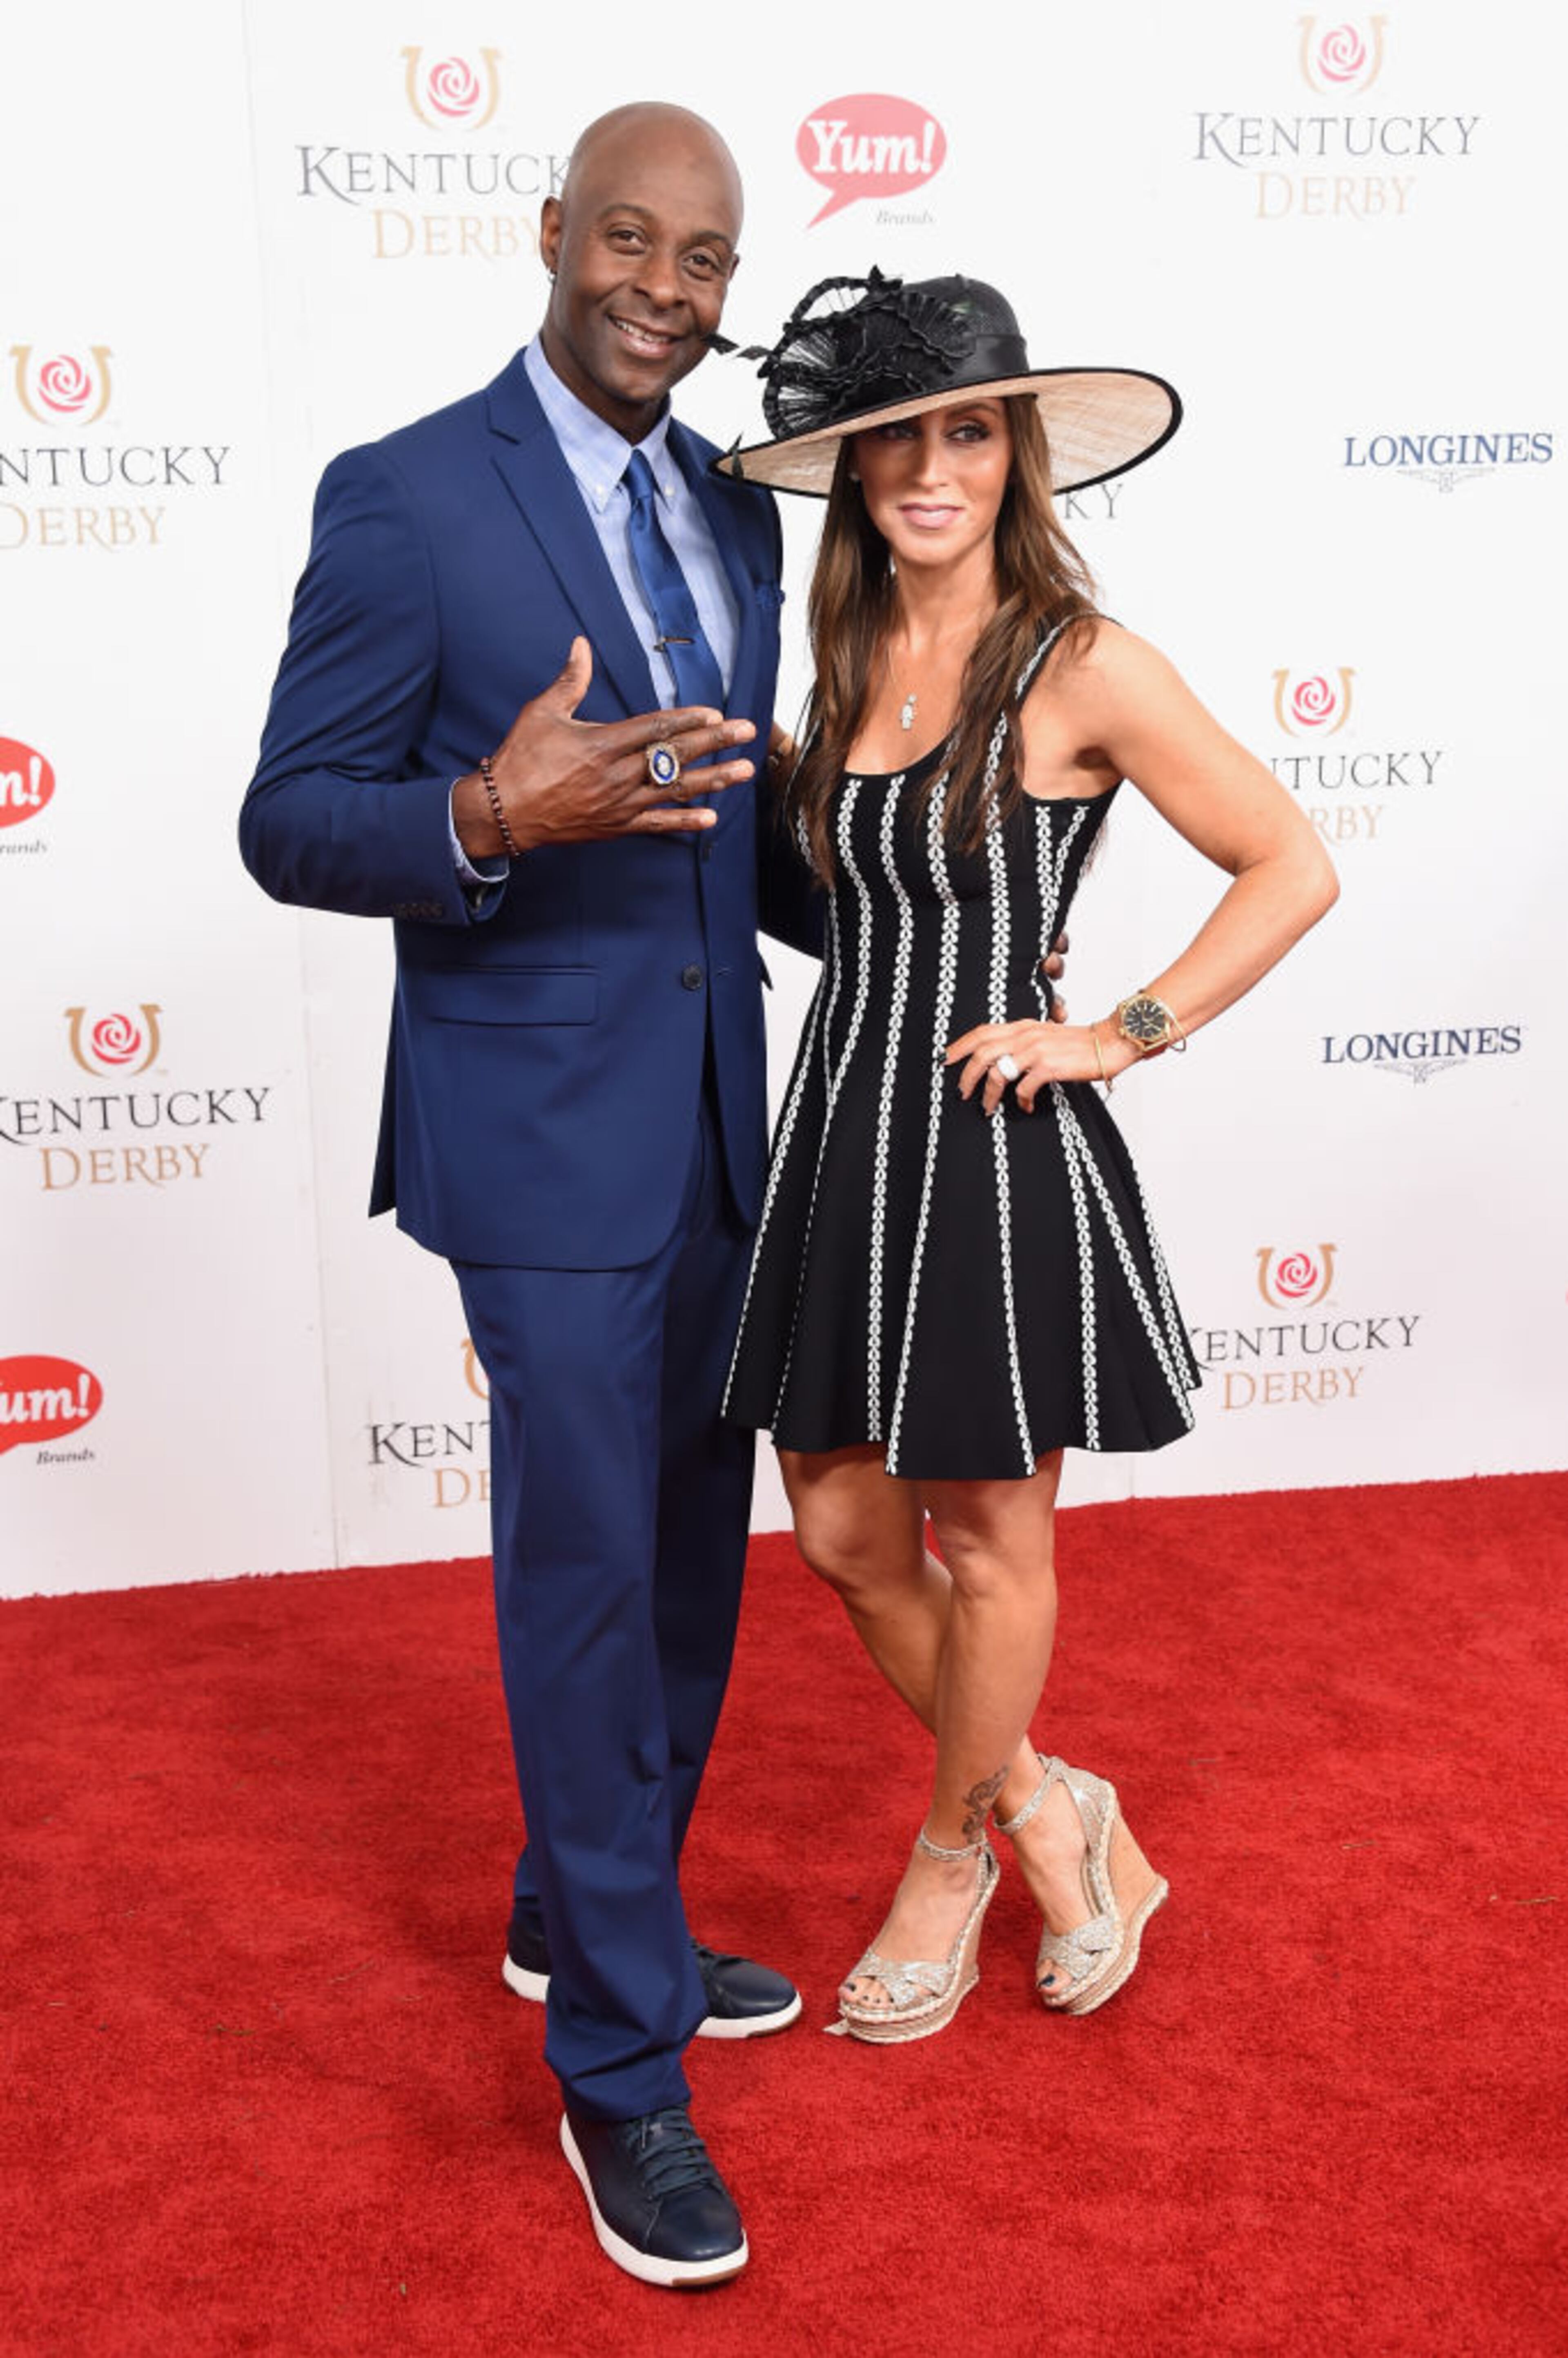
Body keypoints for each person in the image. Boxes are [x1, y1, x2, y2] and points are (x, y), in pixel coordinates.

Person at [240, 104, 825, 2291]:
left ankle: (584, 1906)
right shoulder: (405, 495)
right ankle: (620, 2066)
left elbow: (731, 833)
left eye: (705, 259)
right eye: (631, 242)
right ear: (554, 230)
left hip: (715, 1121)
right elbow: (290, 815)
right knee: (586, 1580)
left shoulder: (729, 506)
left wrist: (927, 912)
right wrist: (487, 813)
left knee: (684, 1563)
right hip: (537, 1138)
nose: (665, 290)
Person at [720, 271, 1339, 2043]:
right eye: (896, 437)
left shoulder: (1083, 662)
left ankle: (953, 1856)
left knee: (988, 1536)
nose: (932, 469)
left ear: (1018, 458)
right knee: (843, 1528)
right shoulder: (846, 656)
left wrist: (1118, 1030)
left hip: (990, 1147)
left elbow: (1291, 862)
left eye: (970, 433)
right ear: (854, 469)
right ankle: (1058, 1808)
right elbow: (850, 907)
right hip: (844, 1123)